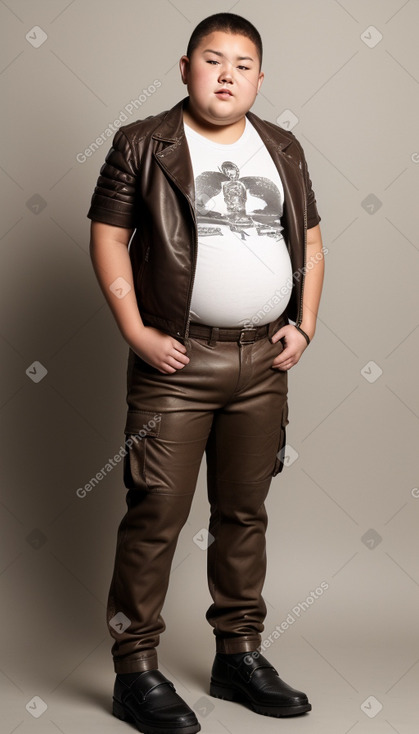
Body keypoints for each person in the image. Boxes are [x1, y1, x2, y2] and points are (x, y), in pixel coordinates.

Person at [87, 12, 324, 734]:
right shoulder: (144, 143)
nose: (227, 74)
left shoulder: (280, 147)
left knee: (244, 513)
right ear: (185, 67)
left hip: (262, 363)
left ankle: (238, 655)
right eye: (212, 59)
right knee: (155, 513)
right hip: (176, 366)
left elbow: (310, 241)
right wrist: (135, 331)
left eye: (242, 63)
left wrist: (303, 325)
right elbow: (108, 235)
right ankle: (135, 669)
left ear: (259, 78)